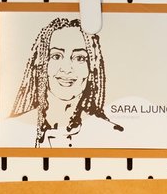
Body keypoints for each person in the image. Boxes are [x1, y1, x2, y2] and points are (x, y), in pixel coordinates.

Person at [7, 17, 125, 149]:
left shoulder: (111, 134)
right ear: (40, 64)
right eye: (56, 56)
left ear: (92, 68)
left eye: (79, 58)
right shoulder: (11, 131)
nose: (67, 68)